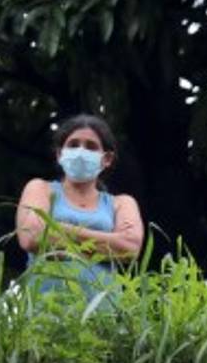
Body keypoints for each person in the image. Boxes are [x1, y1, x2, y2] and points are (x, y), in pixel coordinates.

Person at [16, 114, 144, 297]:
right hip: (44, 316)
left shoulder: (122, 203)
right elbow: (32, 236)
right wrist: (109, 242)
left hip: (105, 316)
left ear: (106, 159)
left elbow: (129, 249)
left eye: (91, 146)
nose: (81, 151)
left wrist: (57, 232)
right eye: (73, 144)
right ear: (60, 154)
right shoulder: (40, 189)